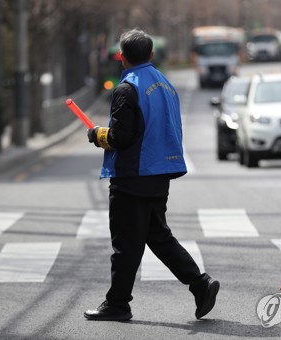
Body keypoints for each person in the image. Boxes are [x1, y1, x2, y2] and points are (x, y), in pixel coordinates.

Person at [84, 28, 219, 321]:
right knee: (157, 236)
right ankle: (200, 284)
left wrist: (97, 135)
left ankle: (118, 304)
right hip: (159, 173)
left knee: (126, 244)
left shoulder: (127, 88)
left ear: (122, 57)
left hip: (133, 175)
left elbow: (121, 137)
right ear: (152, 54)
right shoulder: (165, 84)